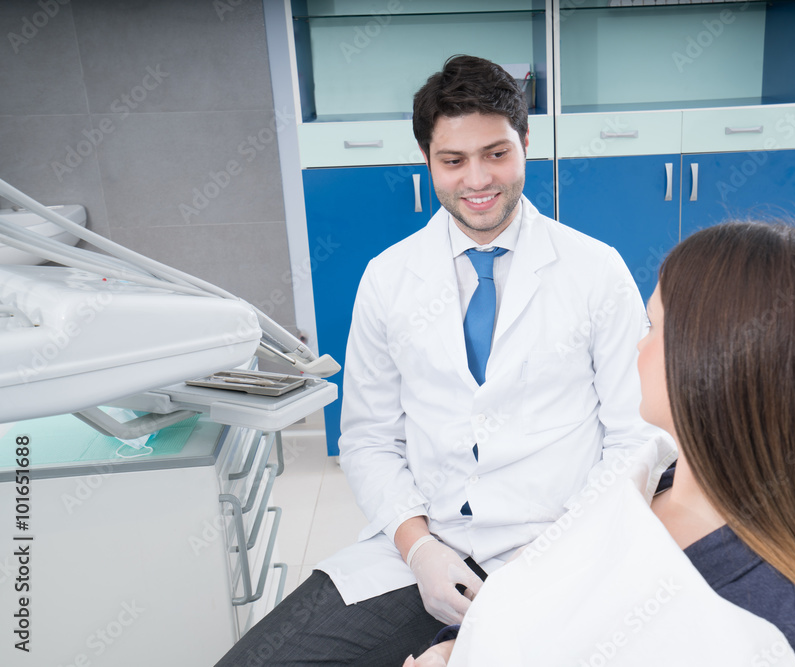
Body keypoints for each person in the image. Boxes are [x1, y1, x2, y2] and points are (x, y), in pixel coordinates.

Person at [215, 55, 669, 666]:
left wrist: (554, 562)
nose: (477, 179)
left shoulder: (595, 270)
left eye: (496, 154)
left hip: (558, 551)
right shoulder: (388, 278)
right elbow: (369, 439)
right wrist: (419, 548)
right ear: (426, 161)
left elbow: (636, 438)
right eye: (453, 161)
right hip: (422, 553)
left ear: (526, 143)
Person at [407, 222, 795, 667]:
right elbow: (539, 597)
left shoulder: (768, 625)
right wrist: (451, 650)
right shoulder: (654, 482)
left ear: (713, 368)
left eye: (651, 328)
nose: (636, 347)